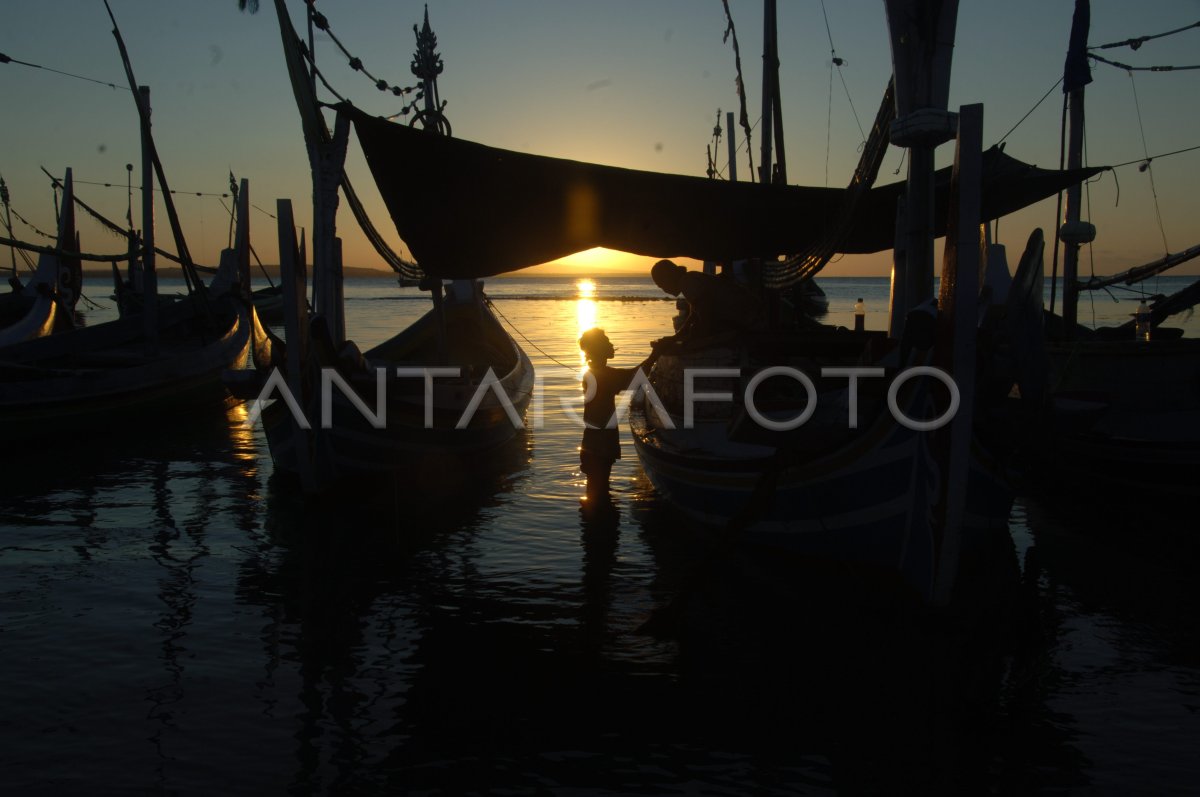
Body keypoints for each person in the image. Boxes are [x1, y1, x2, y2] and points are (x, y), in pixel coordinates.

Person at [578, 327, 660, 505]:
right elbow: (634, 377)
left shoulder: (595, 373)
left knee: (596, 494)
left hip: (595, 442)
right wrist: (654, 355)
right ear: (599, 349)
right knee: (599, 495)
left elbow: (630, 376)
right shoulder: (601, 375)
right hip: (600, 443)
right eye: (606, 342)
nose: (611, 345)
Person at [650, 258, 767, 340]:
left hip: (750, 320)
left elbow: (706, 316)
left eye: (662, 285)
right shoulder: (690, 280)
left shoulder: (688, 282)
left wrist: (690, 338)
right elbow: (694, 314)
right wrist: (678, 336)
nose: (664, 289)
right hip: (752, 316)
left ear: (669, 278)